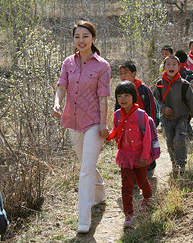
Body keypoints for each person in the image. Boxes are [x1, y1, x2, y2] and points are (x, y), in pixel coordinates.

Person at [52, 20, 111, 234]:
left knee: (85, 170)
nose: (81, 40)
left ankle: (83, 220)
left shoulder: (102, 65)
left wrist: (104, 123)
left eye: (85, 36)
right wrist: (57, 102)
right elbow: (61, 86)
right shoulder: (68, 62)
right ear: (73, 39)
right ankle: (100, 193)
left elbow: (103, 97)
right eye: (77, 36)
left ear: (93, 39)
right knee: (86, 163)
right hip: (72, 121)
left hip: (94, 122)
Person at [107, 81, 152, 227]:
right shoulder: (117, 114)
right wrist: (106, 135)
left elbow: (147, 138)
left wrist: (145, 156)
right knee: (126, 185)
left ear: (133, 97)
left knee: (142, 181)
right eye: (119, 96)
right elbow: (116, 131)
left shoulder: (141, 115)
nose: (123, 99)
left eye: (127, 95)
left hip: (140, 155)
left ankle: (147, 198)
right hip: (125, 156)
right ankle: (129, 214)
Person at [155, 56, 193, 176]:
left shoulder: (184, 84)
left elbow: (192, 101)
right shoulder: (159, 85)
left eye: (174, 64)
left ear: (179, 67)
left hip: (182, 118)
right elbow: (156, 100)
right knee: (170, 141)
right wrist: (163, 108)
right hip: (167, 120)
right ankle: (174, 162)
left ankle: (181, 164)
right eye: (168, 64)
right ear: (164, 67)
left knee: (179, 140)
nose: (171, 67)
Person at [117, 61, 158, 178]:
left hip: (143, 125)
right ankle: (133, 175)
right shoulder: (120, 90)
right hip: (128, 128)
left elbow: (151, 106)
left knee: (146, 146)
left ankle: (149, 168)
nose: (123, 76)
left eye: (126, 73)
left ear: (134, 74)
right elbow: (117, 110)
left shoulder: (143, 88)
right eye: (120, 73)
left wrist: (152, 124)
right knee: (131, 150)